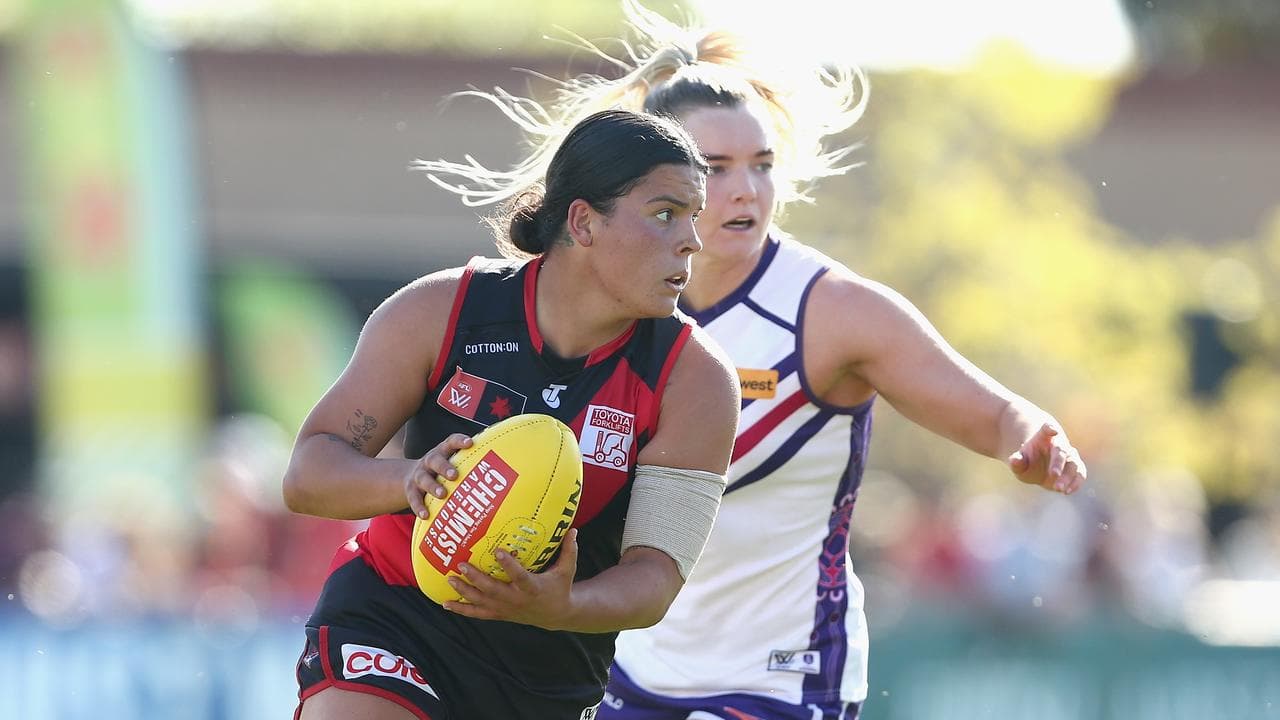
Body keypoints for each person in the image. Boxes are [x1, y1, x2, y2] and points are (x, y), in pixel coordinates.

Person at [421, 3, 1089, 719]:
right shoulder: (593, 303)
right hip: (625, 670)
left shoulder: (827, 310)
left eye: (763, 166)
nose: (746, 190)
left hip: (780, 681)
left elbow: (987, 409)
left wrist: (1030, 435)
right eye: (716, 168)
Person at [283, 108, 740, 720]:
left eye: (693, 217)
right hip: (394, 611)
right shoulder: (439, 312)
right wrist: (410, 478)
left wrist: (561, 608)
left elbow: (656, 577)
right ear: (583, 221)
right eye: (665, 214)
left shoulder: (697, 380)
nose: (692, 240)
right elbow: (308, 472)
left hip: (546, 670)